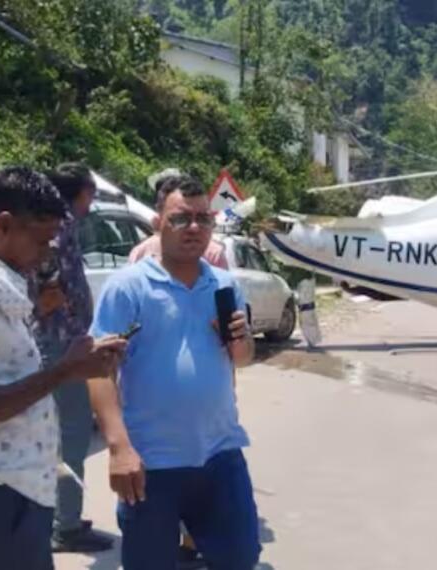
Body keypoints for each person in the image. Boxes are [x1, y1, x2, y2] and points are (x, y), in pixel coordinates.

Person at [88, 174, 261, 569]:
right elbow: (99, 371)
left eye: (204, 218)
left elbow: (242, 357)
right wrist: (118, 447)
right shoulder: (128, 287)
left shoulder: (225, 284)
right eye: (182, 218)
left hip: (220, 453)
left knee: (240, 557)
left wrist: (240, 342)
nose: (195, 228)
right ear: (157, 223)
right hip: (152, 461)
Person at [0, 167, 125, 569]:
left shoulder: (6, 289)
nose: (49, 255)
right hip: (1, 495)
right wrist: (64, 371)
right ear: (4, 225)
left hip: (22, 490)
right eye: (42, 241)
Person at [21, 164, 116, 553]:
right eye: (90, 196)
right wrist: (48, 296)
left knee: (61, 434)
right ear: (76, 194)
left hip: (61, 342)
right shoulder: (57, 230)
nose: (91, 204)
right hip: (60, 344)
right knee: (72, 434)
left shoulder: (56, 224)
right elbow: (46, 276)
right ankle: (66, 526)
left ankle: (62, 515)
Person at [128, 172, 228, 270]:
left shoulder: (213, 253)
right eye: (181, 219)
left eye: (203, 219)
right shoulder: (141, 253)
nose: (193, 227)